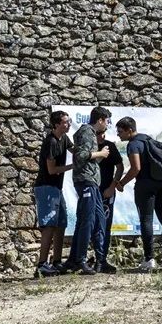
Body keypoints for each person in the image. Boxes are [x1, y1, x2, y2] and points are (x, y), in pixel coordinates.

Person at [116, 117, 162, 271]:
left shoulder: (133, 144)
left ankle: (149, 259)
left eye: (120, 131)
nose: (118, 135)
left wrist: (121, 183)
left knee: (146, 220)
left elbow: (136, 168)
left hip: (145, 186)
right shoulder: (148, 140)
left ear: (129, 130)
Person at [61, 106, 113, 275]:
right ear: (100, 120)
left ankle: (100, 260)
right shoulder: (86, 132)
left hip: (92, 182)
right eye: (107, 121)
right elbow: (80, 156)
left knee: (98, 219)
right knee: (87, 221)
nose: (107, 125)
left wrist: (98, 153)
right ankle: (79, 260)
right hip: (85, 181)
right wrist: (101, 153)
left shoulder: (90, 133)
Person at [32, 110, 73, 277]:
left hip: (57, 188)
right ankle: (42, 264)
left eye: (69, 121)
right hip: (46, 187)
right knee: (49, 225)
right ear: (56, 124)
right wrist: (73, 167)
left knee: (61, 223)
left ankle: (57, 261)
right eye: (65, 122)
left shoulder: (64, 139)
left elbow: (76, 151)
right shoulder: (51, 142)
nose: (69, 124)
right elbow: (52, 169)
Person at [93, 125, 124, 273]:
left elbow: (120, 167)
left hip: (106, 191)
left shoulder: (109, 146)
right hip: (92, 191)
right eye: (98, 133)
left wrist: (112, 187)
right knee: (91, 226)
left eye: (103, 133)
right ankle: (90, 258)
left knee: (105, 225)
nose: (101, 136)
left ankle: (102, 259)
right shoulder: (89, 148)